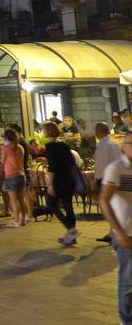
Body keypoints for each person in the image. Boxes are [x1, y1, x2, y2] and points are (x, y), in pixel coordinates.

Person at [99, 131, 132, 324]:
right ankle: (126, 320)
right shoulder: (117, 168)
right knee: (128, 282)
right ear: (124, 146)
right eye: (130, 143)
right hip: (126, 232)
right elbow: (104, 200)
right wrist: (118, 232)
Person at [43, 121, 79, 246]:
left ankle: (71, 229)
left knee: (52, 204)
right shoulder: (64, 144)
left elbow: (52, 167)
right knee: (68, 205)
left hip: (58, 179)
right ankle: (71, 235)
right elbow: (72, 162)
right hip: (68, 178)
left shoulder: (50, 146)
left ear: (47, 131)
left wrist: (50, 184)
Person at [95, 122, 123, 243]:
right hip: (117, 177)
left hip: (105, 179)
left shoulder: (102, 146)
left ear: (99, 132)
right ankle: (113, 232)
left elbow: (100, 166)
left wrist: (95, 179)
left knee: (106, 207)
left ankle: (114, 232)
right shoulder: (115, 145)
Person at [1, 129, 29, 227]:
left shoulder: (5, 148)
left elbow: (2, 162)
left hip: (10, 175)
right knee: (21, 199)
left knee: (13, 200)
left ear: (6, 138)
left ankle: (17, 220)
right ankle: (23, 220)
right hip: (21, 175)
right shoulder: (20, 147)